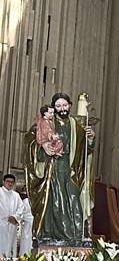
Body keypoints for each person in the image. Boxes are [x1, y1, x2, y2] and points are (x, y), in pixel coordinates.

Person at [23, 92, 95, 242]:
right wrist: (43, 145)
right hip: (52, 167)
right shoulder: (46, 122)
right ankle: (52, 237)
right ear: (53, 108)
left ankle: (75, 238)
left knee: (74, 200)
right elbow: (30, 139)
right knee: (53, 202)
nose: (62, 108)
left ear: (70, 106)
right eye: (58, 106)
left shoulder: (76, 126)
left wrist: (90, 139)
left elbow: (85, 151)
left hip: (70, 169)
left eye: (64, 105)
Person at [0, 174, 22, 258]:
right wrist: (6, 217)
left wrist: (15, 217)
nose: (10, 183)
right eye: (8, 181)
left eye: (12, 182)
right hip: (1, 224)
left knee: (10, 247)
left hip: (12, 225)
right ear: (3, 182)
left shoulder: (16, 195)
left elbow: (21, 208)